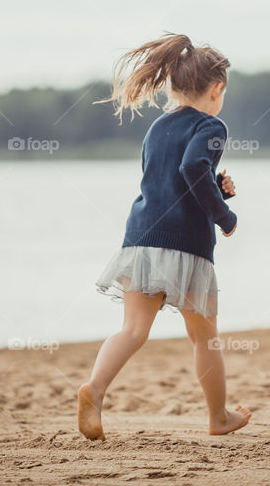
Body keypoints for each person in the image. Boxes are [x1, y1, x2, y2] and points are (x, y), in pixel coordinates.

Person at [77, 33, 251, 441]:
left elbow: (167, 178)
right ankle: (218, 417)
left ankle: (95, 390)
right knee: (204, 338)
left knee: (133, 331)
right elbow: (192, 170)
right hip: (185, 244)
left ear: (172, 87)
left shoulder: (157, 128)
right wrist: (224, 214)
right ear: (217, 89)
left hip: (140, 237)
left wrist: (215, 185)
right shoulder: (213, 125)